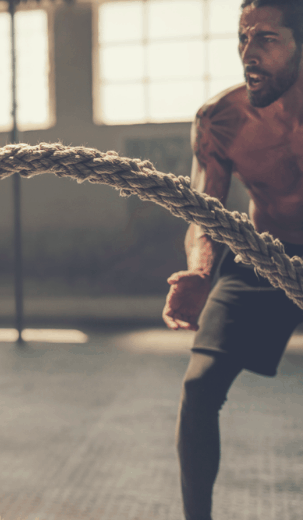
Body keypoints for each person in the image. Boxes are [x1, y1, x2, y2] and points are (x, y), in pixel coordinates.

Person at [162, 1, 303, 518]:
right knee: (199, 387)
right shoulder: (221, 120)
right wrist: (202, 270)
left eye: (267, 39)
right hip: (264, 253)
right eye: (243, 39)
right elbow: (204, 210)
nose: (249, 53)